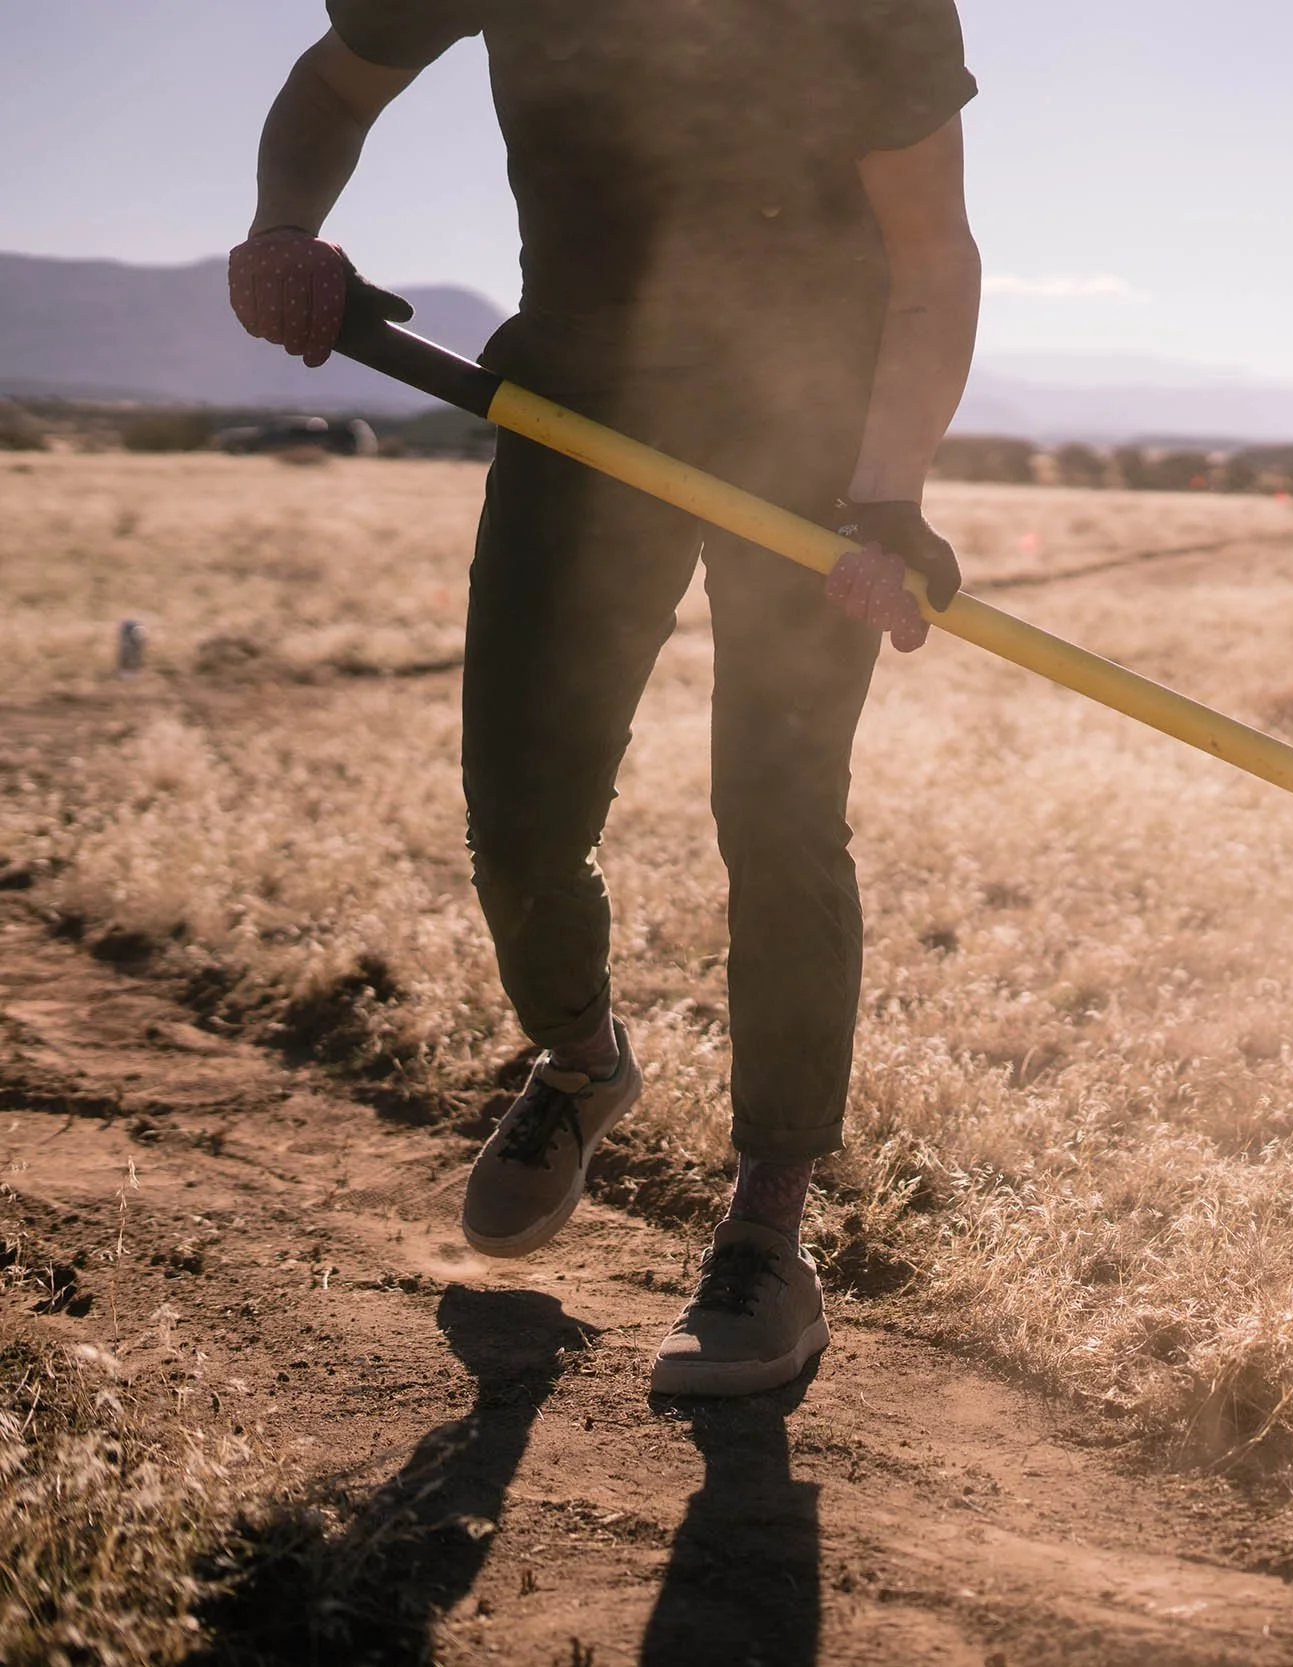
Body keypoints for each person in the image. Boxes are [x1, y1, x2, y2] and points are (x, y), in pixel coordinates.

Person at [229, 1, 983, 1398]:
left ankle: (766, 1235)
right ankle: (583, 1062)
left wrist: (886, 496)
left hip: (808, 445)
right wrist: (284, 229)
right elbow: (332, 87)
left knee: (779, 817)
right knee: (521, 815)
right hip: (579, 414)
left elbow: (933, 253)